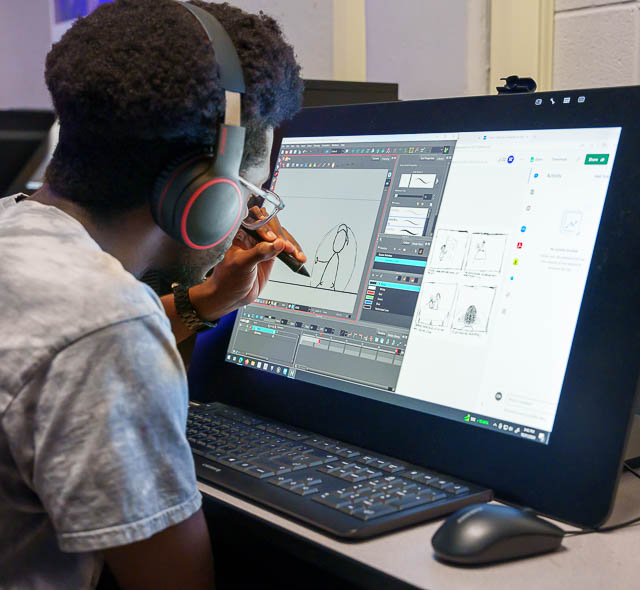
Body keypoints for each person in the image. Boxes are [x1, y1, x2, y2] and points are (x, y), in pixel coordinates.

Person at [0, 1, 305, 589]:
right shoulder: (105, 325)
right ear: (209, 193)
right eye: (251, 190)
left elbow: (53, 354)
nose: (249, 210)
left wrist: (205, 301)